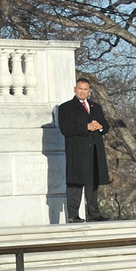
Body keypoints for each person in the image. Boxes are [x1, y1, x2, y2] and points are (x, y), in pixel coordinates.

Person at [58, 77, 111, 223]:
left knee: (93, 183)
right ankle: (73, 215)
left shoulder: (96, 107)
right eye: (80, 88)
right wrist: (86, 127)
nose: (83, 91)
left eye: (85, 89)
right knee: (75, 183)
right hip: (77, 151)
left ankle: (94, 214)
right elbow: (65, 128)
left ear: (89, 91)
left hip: (94, 150)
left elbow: (106, 126)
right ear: (75, 89)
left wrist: (99, 127)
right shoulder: (65, 107)